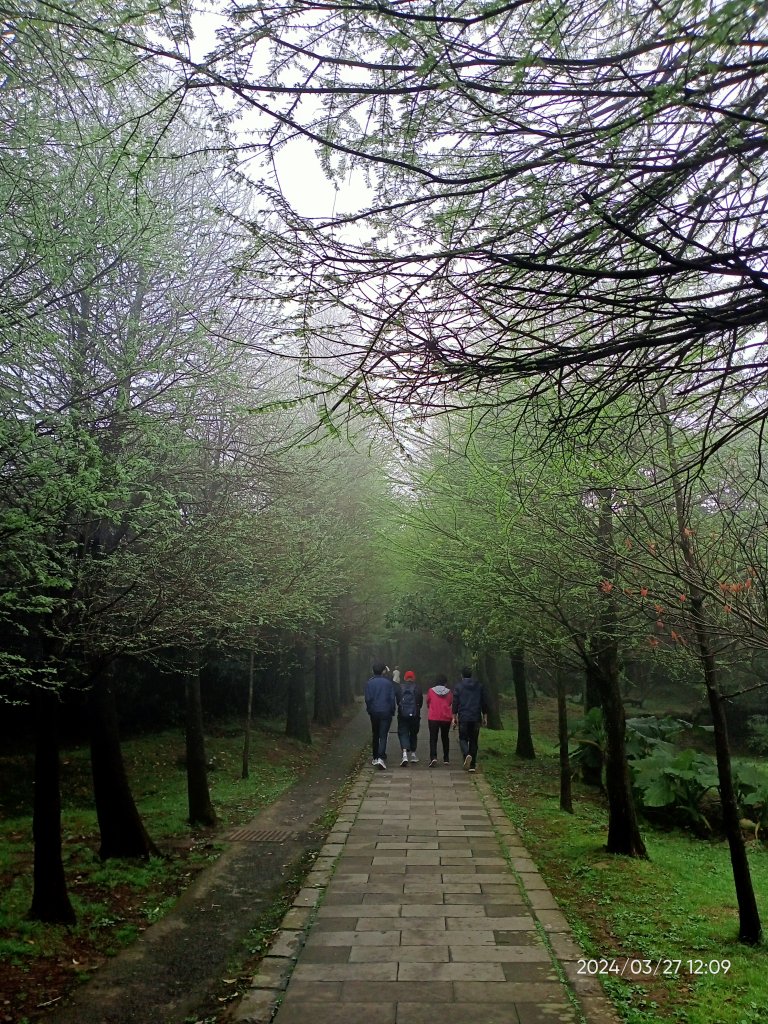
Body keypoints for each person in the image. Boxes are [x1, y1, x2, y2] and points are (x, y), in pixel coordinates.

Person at [452, 666, 489, 772]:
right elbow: (484, 702)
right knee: (474, 740)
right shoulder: (479, 686)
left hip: (464, 716)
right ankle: (472, 765)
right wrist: (485, 716)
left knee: (463, 738)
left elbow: (455, 703)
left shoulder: (459, 687)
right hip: (476, 717)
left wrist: (454, 717)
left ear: (461, 675)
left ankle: (467, 754)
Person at [364, 661, 396, 769]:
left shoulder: (369, 683)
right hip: (386, 711)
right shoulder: (388, 683)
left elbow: (368, 699)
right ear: (383, 671)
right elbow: (392, 698)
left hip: (374, 712)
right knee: (383, 735)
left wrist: (370, 710)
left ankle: (375, 757)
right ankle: (381, 758)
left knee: (375, 734)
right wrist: (392, 710)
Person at [396, 669, 423, 766]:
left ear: (405, 678)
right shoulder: (418, 688)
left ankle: (404, 754)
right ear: (414, 678)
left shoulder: (400, 688)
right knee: (413, 733)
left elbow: (398, 701)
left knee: (403, 732)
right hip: (415, 715)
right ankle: (413, 754)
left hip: (402, 715)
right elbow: (420, 703)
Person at [426, 673, 453, 766]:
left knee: (433, 738)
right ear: (445, 683)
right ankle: (446, 758)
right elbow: (450, 702)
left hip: (433, 717)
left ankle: (433, 757)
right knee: (445, 737)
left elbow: (428, 702)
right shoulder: (449, 692)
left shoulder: (431, 691)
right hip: (446, 718)